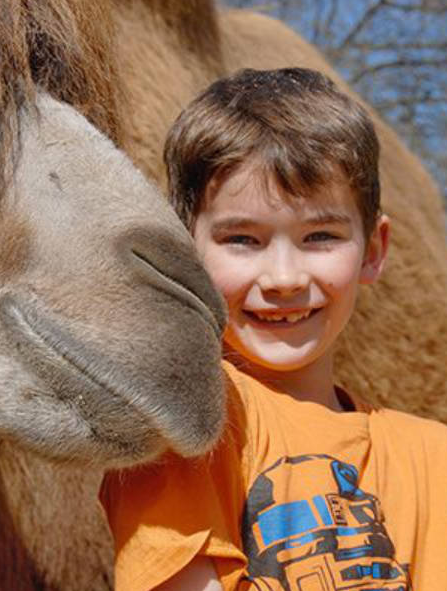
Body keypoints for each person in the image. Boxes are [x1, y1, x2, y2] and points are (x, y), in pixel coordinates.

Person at [100, 67, 447, 591]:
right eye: (243, 240)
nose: (284, 279)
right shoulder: (186, 426)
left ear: (373, 251)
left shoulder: (433, 458)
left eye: (320, 237)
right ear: (187, 252)